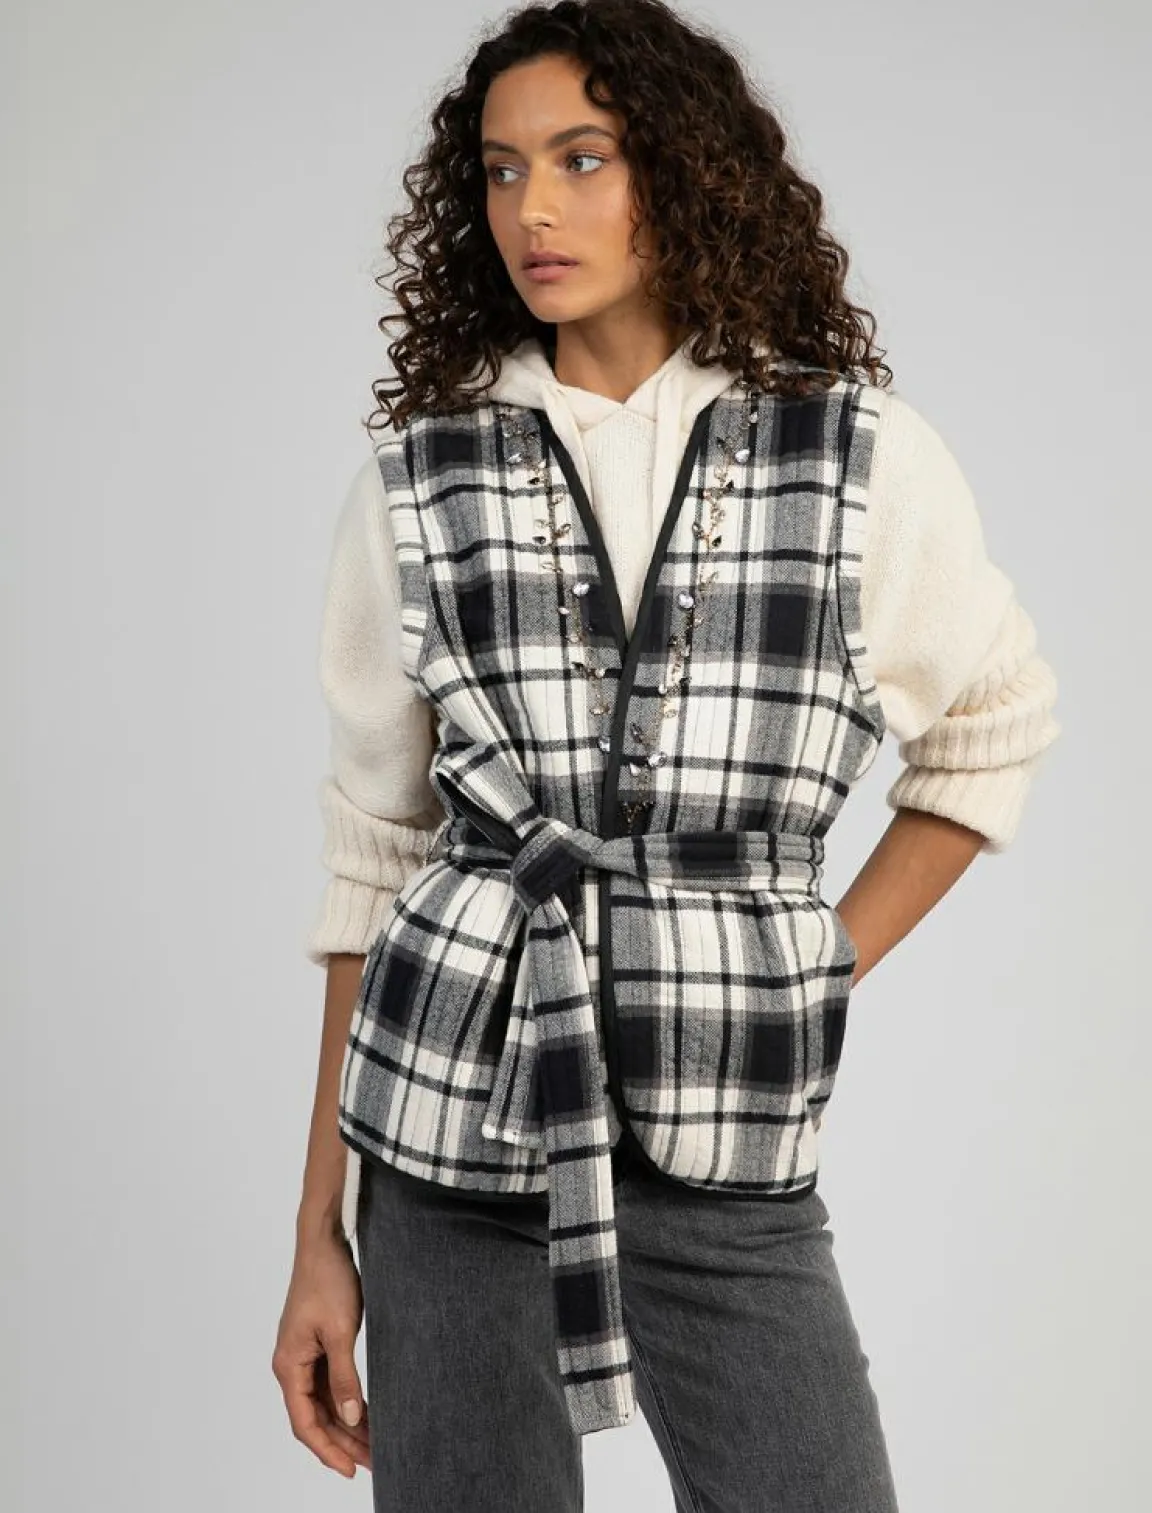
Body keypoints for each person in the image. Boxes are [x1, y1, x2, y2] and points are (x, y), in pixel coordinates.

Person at [273, 2, 1061, 1508]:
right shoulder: (423, 473)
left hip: (726, 1139)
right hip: (450, 1143)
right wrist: (319, 1230)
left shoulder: (853, 455)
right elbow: (375, 857)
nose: (535, 209)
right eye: (502, 169)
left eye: (584, 158)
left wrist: (812, 964)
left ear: (685, 171)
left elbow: (991, 731)